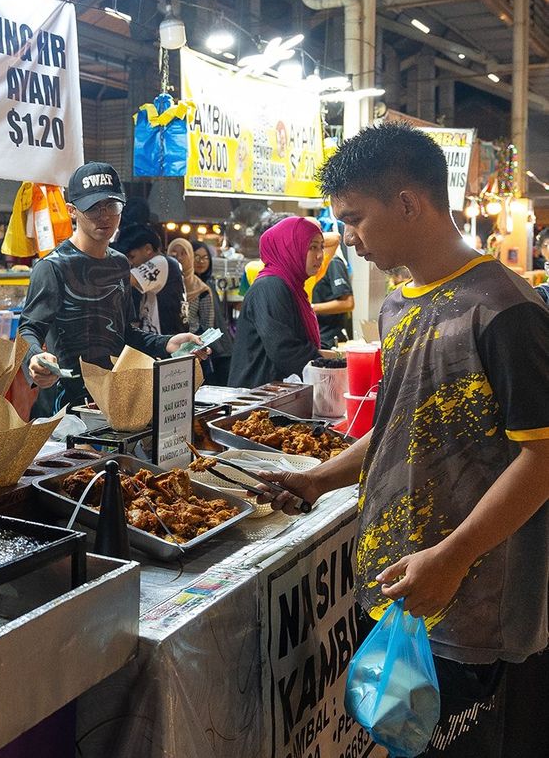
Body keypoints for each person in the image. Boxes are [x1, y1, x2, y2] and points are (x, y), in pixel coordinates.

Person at [256, 123, 549, 757]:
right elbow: (401, 426)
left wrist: (451, 556)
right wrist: (318, 478)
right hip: (401, 590)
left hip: (467, 604)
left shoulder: (504, 309)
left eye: (354, 218)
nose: (346, 238)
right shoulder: (401, 306)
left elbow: (543, 458)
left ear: (409, 203)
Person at [19, 161, 207, 411]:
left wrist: (168, 343)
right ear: (72, 211)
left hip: (113, 401)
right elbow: (28, 329)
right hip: (64, 406)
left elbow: (126, 334)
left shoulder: (119, 263)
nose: (104, 216)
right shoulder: (53, 267)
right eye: (92, 208)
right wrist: (35, 358)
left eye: (112, 205)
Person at [228, 217, 331, 388]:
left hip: (275, 392)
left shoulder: (292, 286)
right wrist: (330, 363)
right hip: (257, 398)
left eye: (321, 247)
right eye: (312, 247)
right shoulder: (270, 286)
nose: (320, 255)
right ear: (290, 247)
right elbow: (284, 349)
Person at [117, 224, 187, 335]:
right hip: (168, 337)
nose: (130, 263)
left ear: (148, 249)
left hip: (165, 339)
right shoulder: (169, 263)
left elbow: (125, 279)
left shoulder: (161, 262)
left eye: (132, 257)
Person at [190, 238, 234, 384]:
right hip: (207, 348)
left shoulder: (208, 284)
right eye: (196, 257)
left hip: (220, 347)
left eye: (205, 257)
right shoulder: (191, 286)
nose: (201, 261)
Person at [310, 231, 354, 348]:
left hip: (329, 339)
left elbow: (348, 303)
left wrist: (310, 308)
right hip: (315, 337)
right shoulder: (307, 268)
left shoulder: (333, 262)